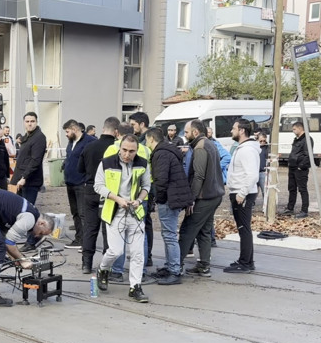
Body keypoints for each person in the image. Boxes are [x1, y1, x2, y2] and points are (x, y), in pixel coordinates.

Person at [94, 135, 151, 303]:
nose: (127, 154)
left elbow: (147, 186)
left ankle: (135, 287)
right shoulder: (106, 163)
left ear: (137, 150)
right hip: (114, 212)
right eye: (124, 150)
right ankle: (103, 269)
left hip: (135, 212)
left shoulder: (143, 163)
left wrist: (139, 200)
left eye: (131, 151)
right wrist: (118, 199)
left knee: (137, 253)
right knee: (115, 251)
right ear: (119, 147)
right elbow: (98, 186)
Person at [144, 128, 192, 285]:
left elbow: (161, 179)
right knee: (168, 234)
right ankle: (170, 266)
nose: (146, 143)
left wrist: (159, 198)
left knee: (169, 235)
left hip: (169, 199)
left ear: (151, 139)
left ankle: (174, 270)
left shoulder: (160, 154)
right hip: (174, 196)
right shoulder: (169, 150)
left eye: (147, 140)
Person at [179, 120, 224, 278]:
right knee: (204, 231)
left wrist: (191, 199)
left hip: (204, 197)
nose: (185, 135)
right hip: (214, 194)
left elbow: (198, 176)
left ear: (195, 132)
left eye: (186, 132)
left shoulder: (200, 147)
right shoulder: (210, 144)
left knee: (187, 230)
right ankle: (204, 265)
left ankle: (175, 265)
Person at [77, 116, 119, 274]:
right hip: (109, 192)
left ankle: (86, 264)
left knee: (90, 227)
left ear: (103, 129)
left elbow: (80, 169)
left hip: (90, 189)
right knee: (108, 229)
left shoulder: (89, 146)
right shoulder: (116, 148)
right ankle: (106, 266)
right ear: (116, 131)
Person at [225, 119, 261, 273]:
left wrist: (241, 193)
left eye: (233, 128)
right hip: (240, 192)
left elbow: (252, 175)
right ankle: (246, 260)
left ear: (241, 130)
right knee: (243, 228)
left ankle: (246, 263)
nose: (231, 131)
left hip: (243, 194)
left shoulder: (247, 150)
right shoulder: (242, 148)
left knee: (244, 228)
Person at [61, 119, 94, 249]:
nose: (66, 134)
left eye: (67, 131)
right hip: (70, 183)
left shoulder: (89, 142)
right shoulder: (71, 142)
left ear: (74, 129)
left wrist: (87, 180)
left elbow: (91, 162)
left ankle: (86, 242)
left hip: (81, 183)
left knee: (82, 213)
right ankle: (79, 238)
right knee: (75, 212)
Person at [11, 112, 47, 204]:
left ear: (36, 122)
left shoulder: (39, 137)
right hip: (21, 180)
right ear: (24, 123)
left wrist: (24, 177)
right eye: (27, 121)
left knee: (27, 209)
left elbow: (35, 160)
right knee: (20, 208)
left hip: (30, 181)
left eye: (32, 121)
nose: (30, 124)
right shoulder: (27, 137)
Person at [284, 121, 312, 219]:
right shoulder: (297, 139)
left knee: (302, 189)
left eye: (294, 129)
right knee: (292, 188)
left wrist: (301, 166)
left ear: (300, 128)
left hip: (300, 169)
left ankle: (304, 210)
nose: (293, 131)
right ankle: (290, 208)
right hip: (292, 167)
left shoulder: (307, 139)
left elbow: (307, 155)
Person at [256, 129, 270, 197]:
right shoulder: (254, 148)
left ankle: (266, 202)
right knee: (253, 192)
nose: (262, 142)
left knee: (265, 191)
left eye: (264, 141)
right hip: (254, 172)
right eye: (260, 141)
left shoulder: (267, 148)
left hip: (263, 172)